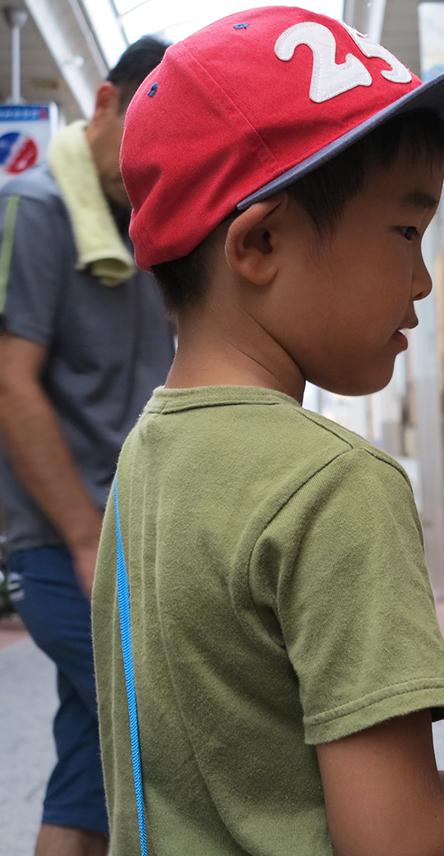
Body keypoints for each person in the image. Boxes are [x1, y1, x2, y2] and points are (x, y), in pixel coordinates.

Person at [92, 8, 444, 854]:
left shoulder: (144, 462)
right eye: (405, 230)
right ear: (260, 243)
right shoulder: (334, 485)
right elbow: (399, 839)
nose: (424, 279)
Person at [0, 36, 172, 856]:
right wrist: (81, 538)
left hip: (127, 535)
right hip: (69, 544)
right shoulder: (36, 207)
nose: (149, 160)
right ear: (104, 103)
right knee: (162, 720)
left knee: (88, 769)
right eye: (142, 128)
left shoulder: (143, 228)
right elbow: (10, 381)